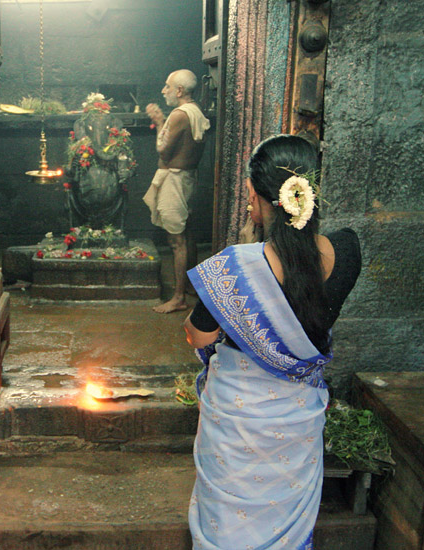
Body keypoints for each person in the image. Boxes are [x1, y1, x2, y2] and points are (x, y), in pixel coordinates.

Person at [183, 134, 361, 550]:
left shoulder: (234, 267)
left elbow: (199, 334)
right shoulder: (349, 251)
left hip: (238, 421)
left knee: (227, 527)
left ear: (256, 196)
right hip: (298, 421)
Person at [144, 69, 210, 313]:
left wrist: (161, 122)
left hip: (175, 180)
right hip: (188, 178)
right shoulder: (195, 111)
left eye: (168, 86)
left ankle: (179, 297)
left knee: (176, 240)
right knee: (187, 232)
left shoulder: (179, 115)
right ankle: (190, 287)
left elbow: (163, 150)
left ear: (180, 91)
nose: (164, 91)